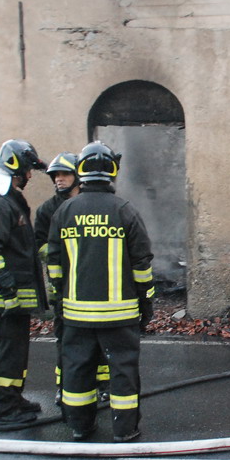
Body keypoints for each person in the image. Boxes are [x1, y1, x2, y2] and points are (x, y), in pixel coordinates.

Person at [46, 141, 155, 442]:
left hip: (76, 314)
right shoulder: (125, 211)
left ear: (80, 170)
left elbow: (54, 262)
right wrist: (146, 303)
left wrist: (59, 298)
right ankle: (125, 430)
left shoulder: (65, 211)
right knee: (122, 372)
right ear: (112, 171)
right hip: (120, 315)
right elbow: (142, 264)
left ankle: (80, 427)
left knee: (77, 370)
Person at [0, 139, 48, 426]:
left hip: (13, 297)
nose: (29, 175)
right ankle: (4, 409)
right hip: (6, 298)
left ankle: (14, 399)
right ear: (15, 168)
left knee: (16, 352)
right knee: (8, 353)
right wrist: (7, 290)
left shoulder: (7, 200)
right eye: (27, 170)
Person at [33, 152, 111, 406]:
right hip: (64, 286)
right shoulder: (47, 210)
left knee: (100, 335)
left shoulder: (96, 204)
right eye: (55, 175)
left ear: (78, 176)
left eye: (65, 174)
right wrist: (63, 258)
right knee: (65, 338)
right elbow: (41, 246)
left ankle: (103, 384)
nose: (59, 179)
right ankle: (64, 386)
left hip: (93, 282)